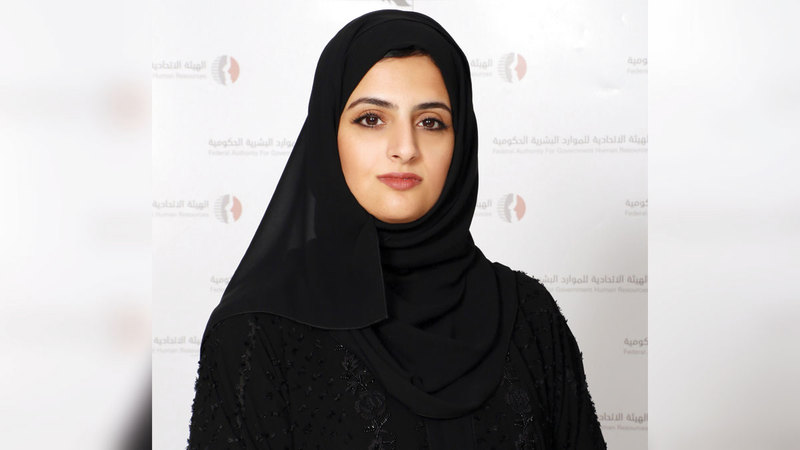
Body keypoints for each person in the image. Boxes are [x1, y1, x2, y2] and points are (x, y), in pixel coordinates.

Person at [187, 9, 606, 449]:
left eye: (431, 122)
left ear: (461, 142)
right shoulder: (256, 331)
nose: (405, 149)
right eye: (371, 119)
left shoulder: (529, 316)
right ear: (328, 134)